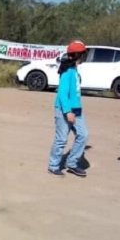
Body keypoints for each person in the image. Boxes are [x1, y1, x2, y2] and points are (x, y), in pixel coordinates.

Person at [47, 40, 89, 177]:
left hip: (77, 109)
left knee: (83, 135)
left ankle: (71, 163)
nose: (85, 56)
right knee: (61, 139)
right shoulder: (67, 71)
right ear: (77, 55)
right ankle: (53, 165)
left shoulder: (74, 70)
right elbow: (62, 93)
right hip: (65, 109)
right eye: (83, 53)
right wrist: (67, 111)